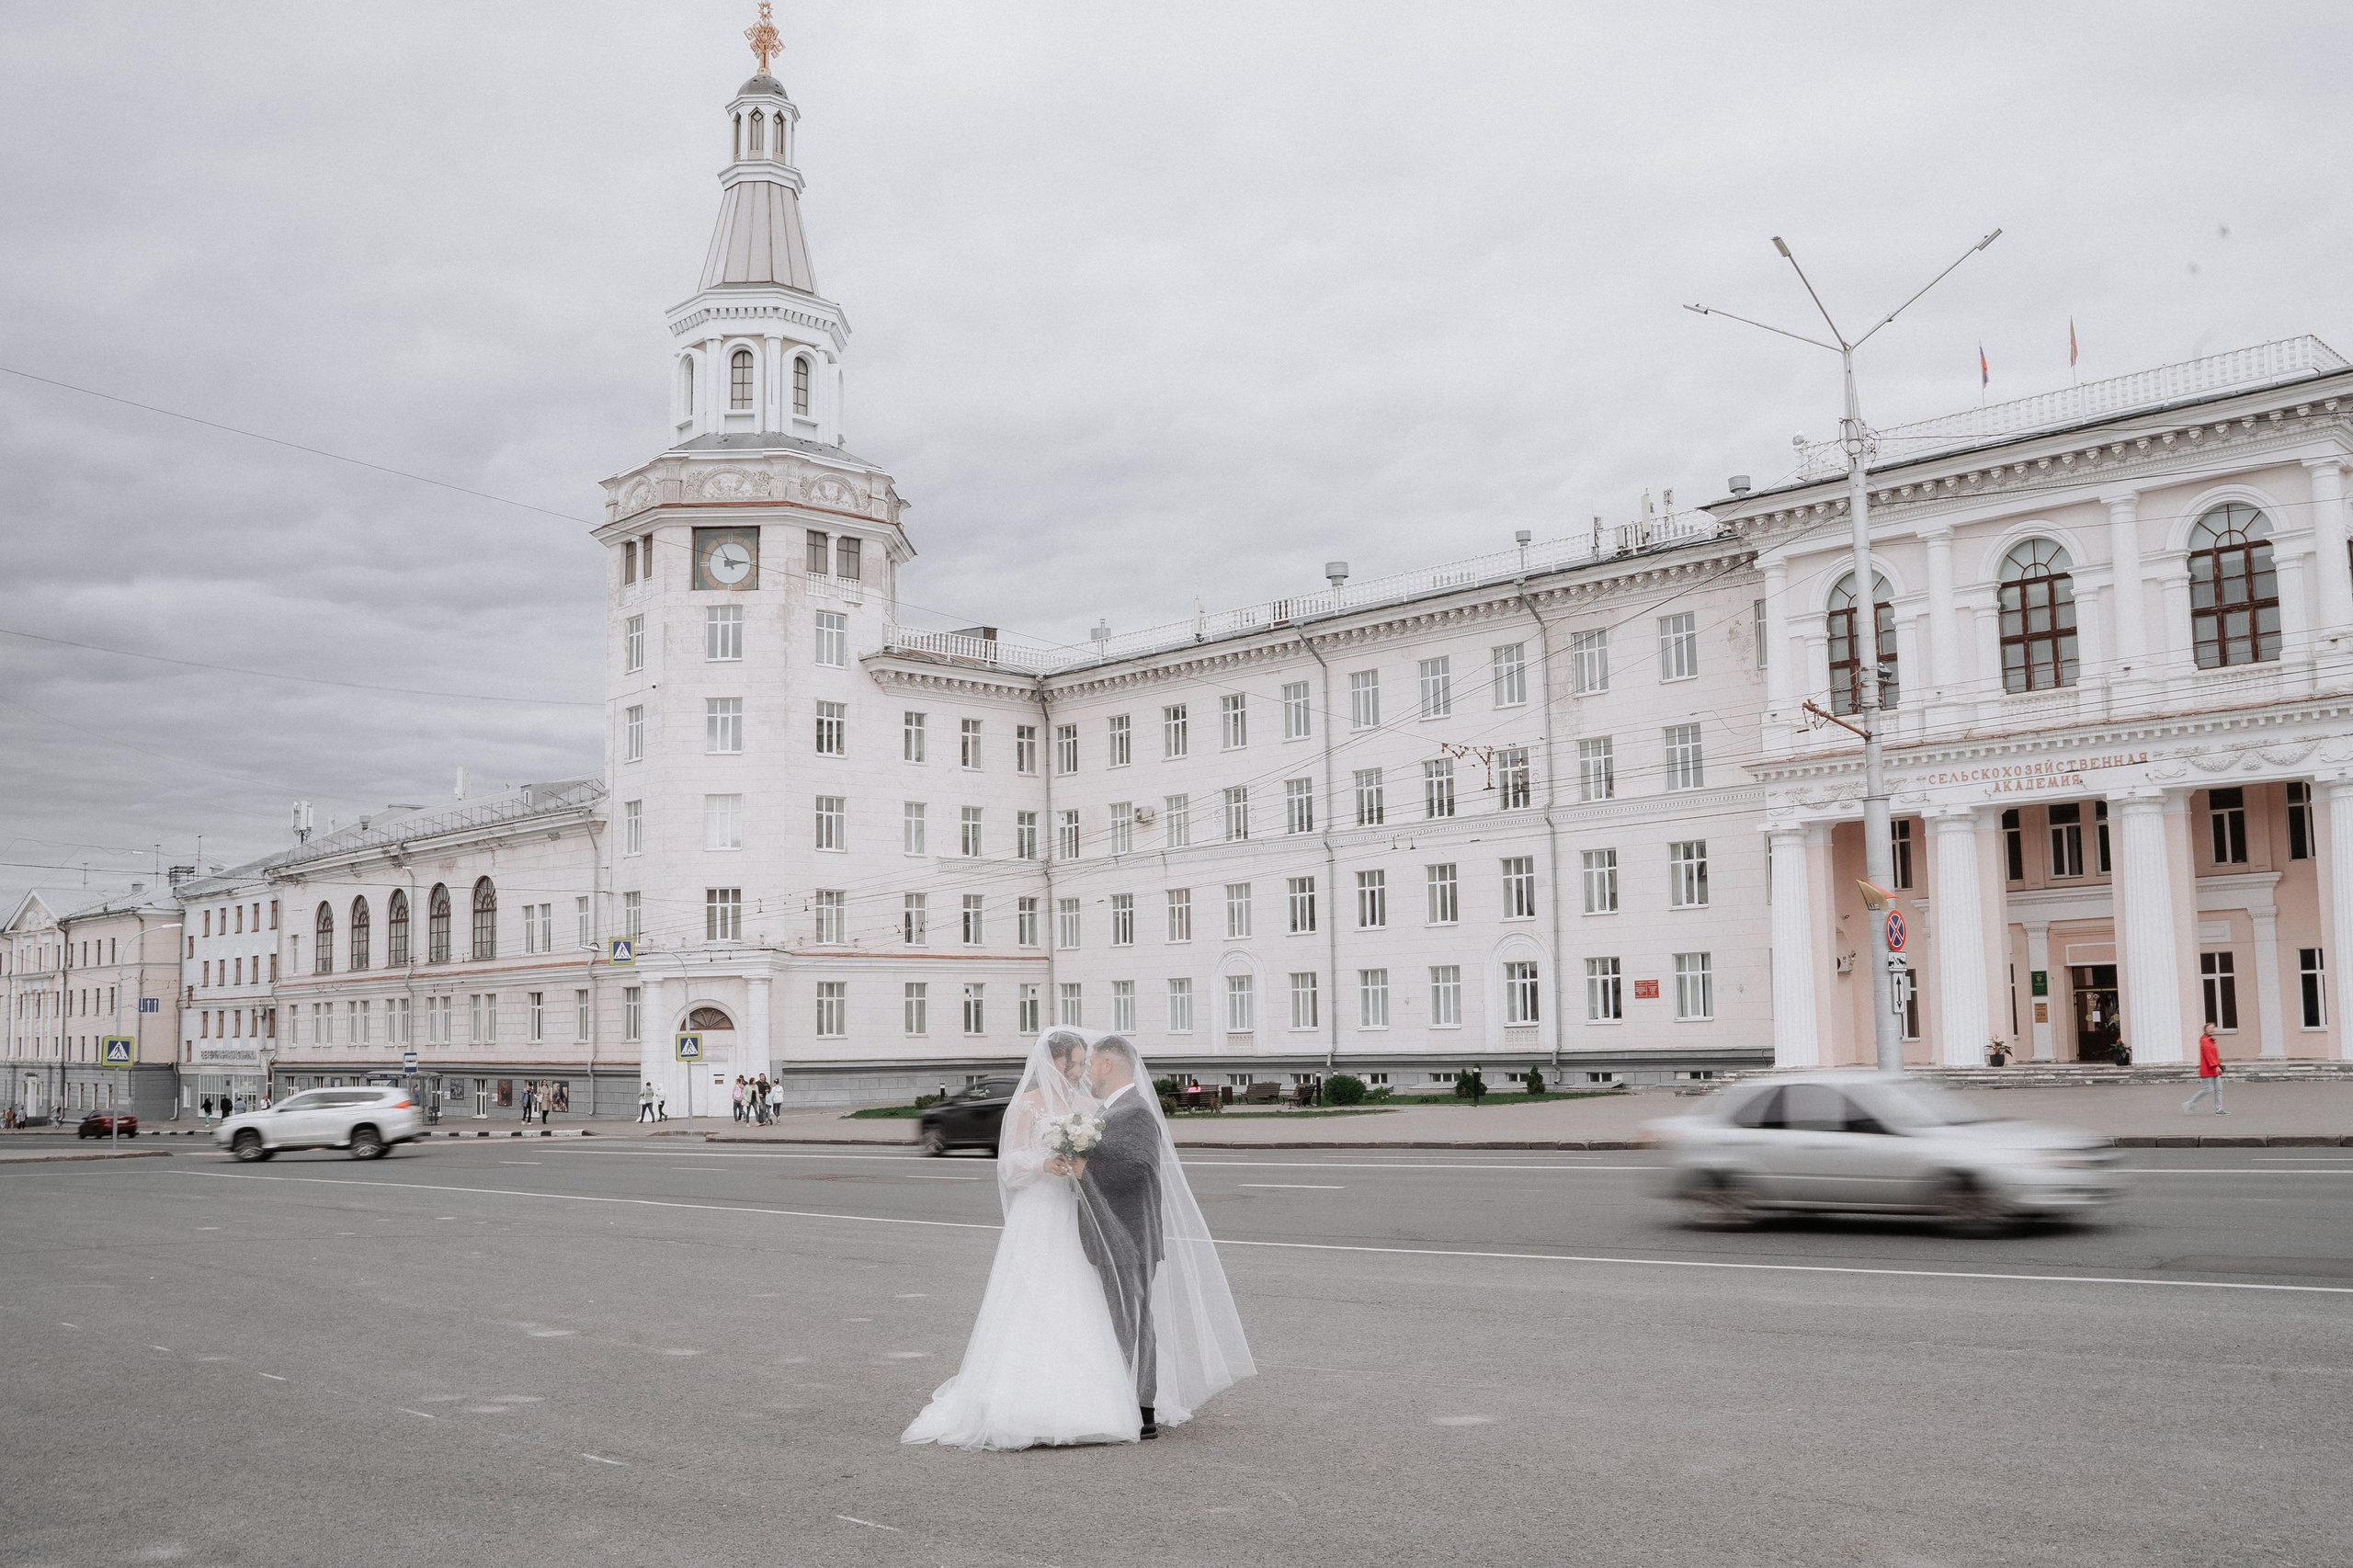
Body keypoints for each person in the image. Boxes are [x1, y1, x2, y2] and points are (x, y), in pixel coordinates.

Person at [903, 1028, 1253, 1450]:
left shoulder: (1092, 1107)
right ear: (1056, 1062)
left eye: (1087, 1062)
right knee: (1039, 1302)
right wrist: (1042, 1163)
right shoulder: (1029, 1105)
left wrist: (1082, 1164)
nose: (1082, 1070)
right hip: (1043, 1213)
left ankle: (1110, 1400)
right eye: (1076, 1062)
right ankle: (1034, 1399)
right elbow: (1008, 1166)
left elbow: (1122, 1162)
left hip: (1084, 1218)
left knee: (1092, 1307)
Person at [2184, 1027, 2226, 1114]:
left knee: (2219, 1088)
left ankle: (2219, 1109)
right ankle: (2190, 1103)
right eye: (2210, 1028)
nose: (2212, 1029)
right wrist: (2216, 1066)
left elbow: (2214, 1055)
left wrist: (2218, 1064)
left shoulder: (2211, 1040)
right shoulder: (2204, 1040)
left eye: (2213, 1028)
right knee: (2208, 1088)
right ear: (2205, 1030)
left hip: (2214, 1068)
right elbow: (2208, 1055)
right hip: (2208, 1069)